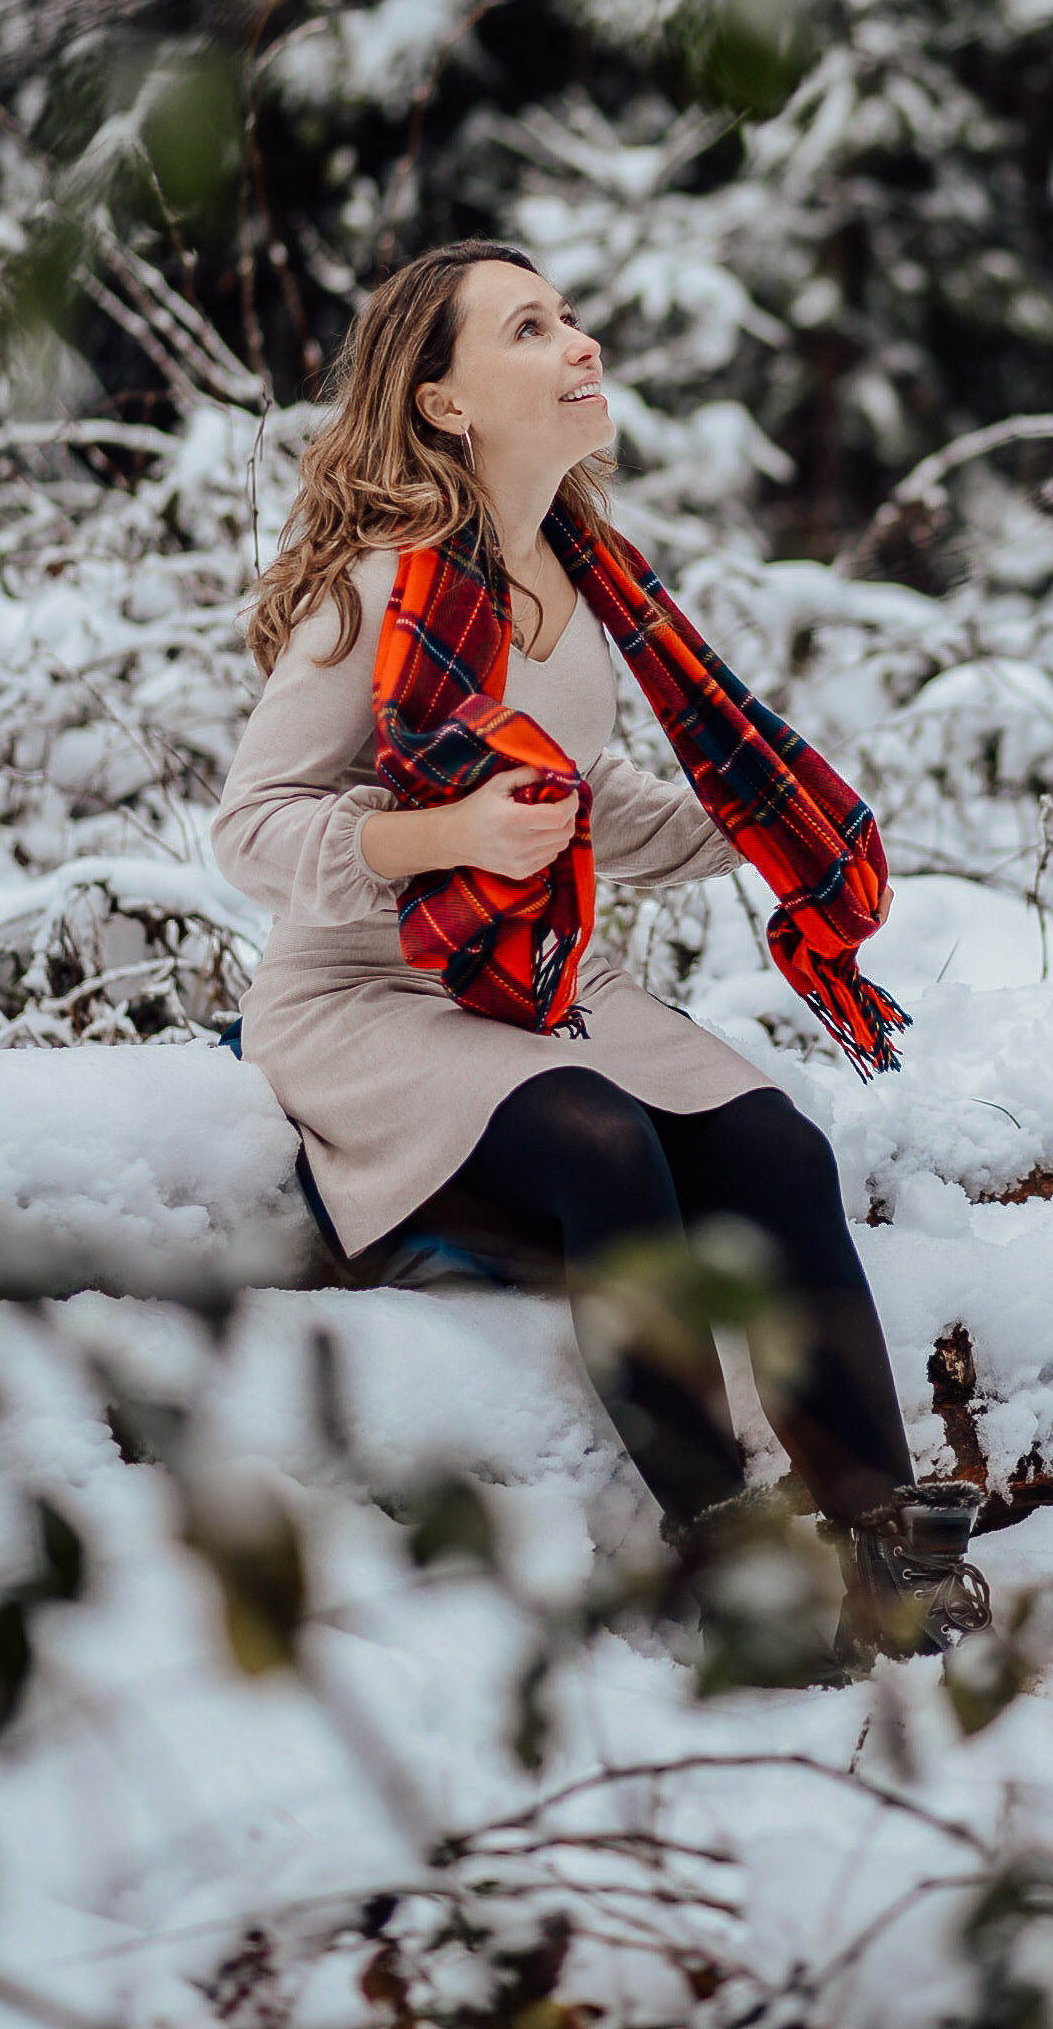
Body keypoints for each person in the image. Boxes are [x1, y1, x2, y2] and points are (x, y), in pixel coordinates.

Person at [212, 238, 989, 1671]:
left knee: (772, 1147)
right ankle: (730, 1557)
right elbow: (252, 834)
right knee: (604, 1141)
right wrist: (438, 840)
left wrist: (759, 821)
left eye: (570, 315)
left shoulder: (579, 580)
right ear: (445, 402)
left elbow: (578, 802)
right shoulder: (376, 591)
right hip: (365, 995)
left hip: (527, 976)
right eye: (529, 328)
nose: (580, 345)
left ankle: (879, 1539)